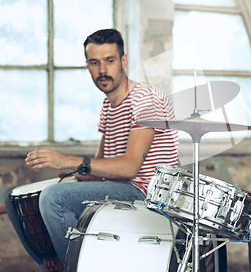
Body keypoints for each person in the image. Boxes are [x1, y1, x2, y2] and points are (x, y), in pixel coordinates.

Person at [5, 29, 179, 267]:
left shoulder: (144, 98)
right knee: (14, 200)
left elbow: (129, 168)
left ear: (123, 61)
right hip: (119, 189)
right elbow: (97, 171)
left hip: (147, 194)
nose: (103, 70)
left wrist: (67, 161)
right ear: (87, 65)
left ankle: (76, 266)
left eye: (110, 60)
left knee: (53, 199)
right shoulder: (109, 105)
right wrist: (74, 176)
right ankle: (55, 260)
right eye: (94, 63)